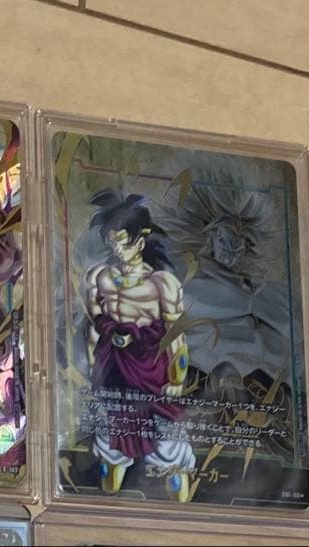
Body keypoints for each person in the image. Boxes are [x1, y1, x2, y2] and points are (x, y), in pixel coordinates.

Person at [84, 190, 195, 502]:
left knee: (170, 447)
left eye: (124, 242)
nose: (117, 249)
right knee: (110, 445)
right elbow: (94, 326)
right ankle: (106, 510)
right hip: (112, 371)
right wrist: (93, 368)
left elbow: (176, 336)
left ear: (140, 242)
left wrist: (177, 379)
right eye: (112, 242)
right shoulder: (99, 277)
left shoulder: (161, 284)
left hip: (152, 371)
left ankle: (184, 516)